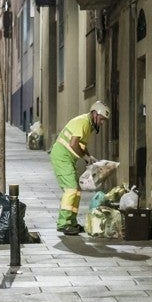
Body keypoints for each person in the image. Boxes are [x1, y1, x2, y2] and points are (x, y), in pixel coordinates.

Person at [50, 100, 110, 235]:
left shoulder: (88, 125)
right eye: (101, 119)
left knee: (76, 191)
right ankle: (63, 223)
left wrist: (90, 156)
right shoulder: (82, 121)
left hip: (68, 158)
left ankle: (71, 222)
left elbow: (81, 145)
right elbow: (73, 144)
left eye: (104, 121)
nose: (102, 123)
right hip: (62, 156)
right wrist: (86, 158)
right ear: (94, 114)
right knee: (71, 189)